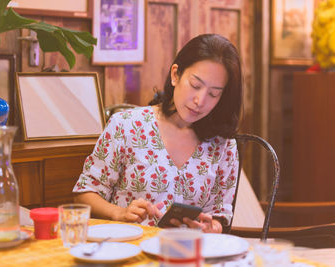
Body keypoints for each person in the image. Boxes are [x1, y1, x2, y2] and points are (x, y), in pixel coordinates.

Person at [73, 33, 242, 233]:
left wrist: (211, 226)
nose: (200, 100)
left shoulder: (223, 144)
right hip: (129, 251)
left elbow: (220, 214)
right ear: (175, 75)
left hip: (188, 255)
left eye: (213, 94)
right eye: (195, 85)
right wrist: (119, 213)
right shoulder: (127, 125)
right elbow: (84, 194)